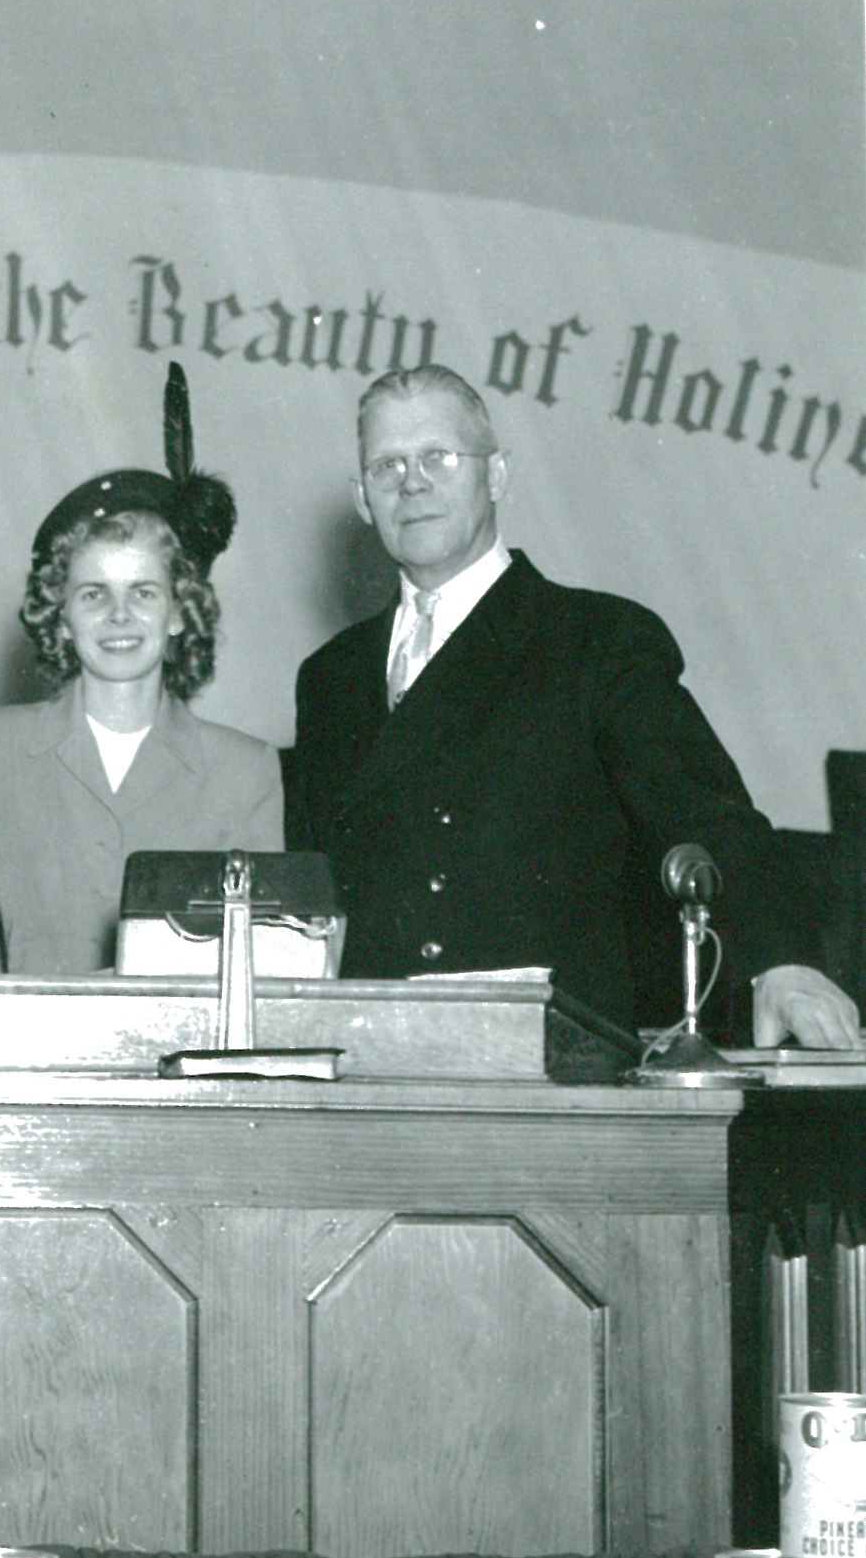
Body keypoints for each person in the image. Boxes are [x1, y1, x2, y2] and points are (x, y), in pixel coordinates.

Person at [287, 363, 860, 1047]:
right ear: (361, 498)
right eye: (387, 465)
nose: (412, 482)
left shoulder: (596, 639)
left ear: (496, 475)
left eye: (438, 456)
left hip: (550, 1061)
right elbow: (310, 897)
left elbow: (706, 814)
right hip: (370, 1054)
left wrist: (783, 962)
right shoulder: (329, 677)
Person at [0, 366, 283, 977]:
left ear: (179, 611)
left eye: (143, 592)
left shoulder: (246, 771)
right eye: (93, 594)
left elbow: (260, 980)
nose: (118, 616)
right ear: (59, 616)